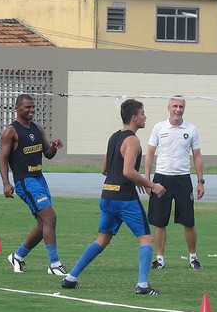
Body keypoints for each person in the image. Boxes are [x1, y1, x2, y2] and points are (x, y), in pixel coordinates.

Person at [61, 99, 166, 295]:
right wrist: (151, 185)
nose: (145, 117)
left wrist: (136, 181)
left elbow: (105, 169)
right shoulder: (133, 140)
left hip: (107, 195)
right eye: (143, 113)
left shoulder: (113, 137)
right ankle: (143, 285)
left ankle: (70, 278)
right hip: (124, 199)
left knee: (102, 240)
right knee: (145, 239)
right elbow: (127, 171)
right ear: (134, 118)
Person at [0, 94, 68, 276]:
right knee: (50, 217)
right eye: (27, 107)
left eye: (32, 107)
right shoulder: (11, 132)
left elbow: (48, 153)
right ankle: (54, 264)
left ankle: (18, 256)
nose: (31, 110)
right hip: (25, 181)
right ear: (17, 108)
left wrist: (54, 146)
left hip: (39, 179)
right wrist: (6, 183)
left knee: (43, 224)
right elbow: (3, 159)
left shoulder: (37, 128)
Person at [145, 96, 205, 270]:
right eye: (175, 106)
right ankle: (160, 260)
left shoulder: (191, 129)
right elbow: (149, 154)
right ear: (169, 108)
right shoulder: (159, 127)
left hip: (183, 179)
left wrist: (200, 181)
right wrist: (148, 180)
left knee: (189, 222)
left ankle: (193, 258)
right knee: (159, 222)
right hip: (161, 179)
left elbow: (197, 156)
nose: (178, 109)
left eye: (181, 106)